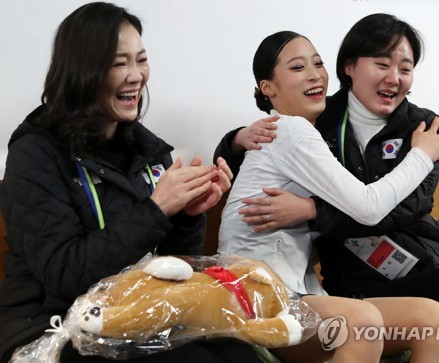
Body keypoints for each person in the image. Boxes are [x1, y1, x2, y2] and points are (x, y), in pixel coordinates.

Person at [214, 13, 439, 362]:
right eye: (382, 63)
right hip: (314, 286)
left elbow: (405, 208)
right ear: (349, 66)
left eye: (405, 68)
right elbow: (237, 169)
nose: (393, 77)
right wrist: (236, 139)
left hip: (403, 266)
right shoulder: (314, 123)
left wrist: (312, 211)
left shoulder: (422, 126)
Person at [0, 3, 263, 363]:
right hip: (51, 326)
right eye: (119, 63)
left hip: (135, 310)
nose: (136, 75)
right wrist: (157, 209)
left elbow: (172, 265)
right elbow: (64, 275)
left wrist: (186, 216)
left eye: (141, 60)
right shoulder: (35, 153)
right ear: (83, 70)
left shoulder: (147, 149)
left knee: (240, 354)